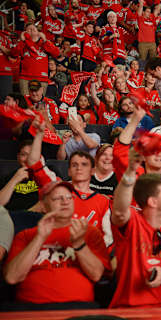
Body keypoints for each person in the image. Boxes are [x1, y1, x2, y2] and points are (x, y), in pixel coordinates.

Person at [4, 180, 110, 309]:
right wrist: (39, 238)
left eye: (68, 197)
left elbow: (97, 274)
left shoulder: (89, 232)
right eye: (57, 198)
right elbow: (12, 277)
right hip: (32, 308)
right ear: (43, 205)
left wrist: (79, 244)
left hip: (79, 308)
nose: (65, 201)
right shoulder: (25, 235)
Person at [110, 153, 161, 308]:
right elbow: (120, 211)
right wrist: (129, 173)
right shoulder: (133, 222)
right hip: (130, 309)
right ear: (153, 201)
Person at [27, 117, 113, 248]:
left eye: (84, 164)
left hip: (87, 254)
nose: (79, 168)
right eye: (74, 165)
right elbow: (34, 163)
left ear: (92, 171)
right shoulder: (58, 187)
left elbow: (108, 240)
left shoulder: (103, 202)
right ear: (68, 171)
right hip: (56, 250)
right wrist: (39, 135)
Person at [12, 23, 60, 95]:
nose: (31, 30)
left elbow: (56, 53)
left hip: (42, 78)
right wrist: (22, 41)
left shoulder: (44, 43)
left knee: (39, 102)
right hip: (25, 78)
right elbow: (13, 54)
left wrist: (45, 40)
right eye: (29, 29)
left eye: (34, 29)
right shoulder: (23, 43)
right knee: (26, 102)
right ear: (25, 32)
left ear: (38, 32)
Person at [0, 140, 39, 211]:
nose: (28, 159)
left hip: (41, 217)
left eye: (32, 155)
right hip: (14, 217)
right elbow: (0, 204)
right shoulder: (8, 177)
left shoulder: (50, 172)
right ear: (18, 157)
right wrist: (14, 179)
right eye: (24, 154)